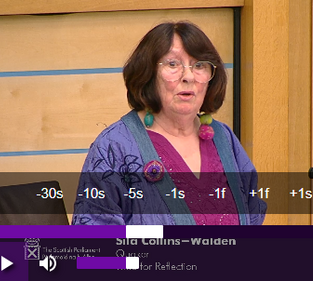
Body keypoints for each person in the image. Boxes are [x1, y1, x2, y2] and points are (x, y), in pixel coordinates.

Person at [72, 21, 267, 225]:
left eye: (200, 65)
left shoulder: (224, 138)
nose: (189, 76)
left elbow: (253, 218)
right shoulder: (114, 147)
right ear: (148, 74)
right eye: (173, 64)